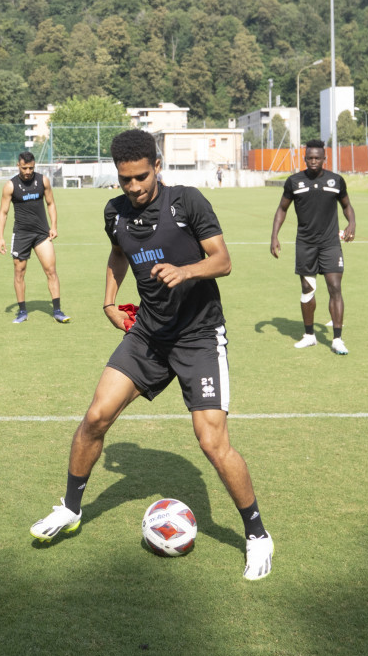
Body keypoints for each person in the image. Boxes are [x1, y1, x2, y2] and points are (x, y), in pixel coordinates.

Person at [27, 130, 274, 581]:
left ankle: (257, 535)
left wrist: (186, 270)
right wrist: (108, 300)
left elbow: (222, 260)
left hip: (198, 335)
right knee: (96, 417)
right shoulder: (115, 212)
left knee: (211, 441)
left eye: (141, 177)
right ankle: (69, 508)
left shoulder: (187, 203)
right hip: (148, 335)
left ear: (157, 166)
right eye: (125, 180)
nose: (134, 187)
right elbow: (119, 252)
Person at [268, 139, 355, 354]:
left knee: (335, 287)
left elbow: (347, 205)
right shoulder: (294, 182)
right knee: (307, 289)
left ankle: (337, 339)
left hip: (330, 244)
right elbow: (282, 209)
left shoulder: (336, 181)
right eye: (310, 158)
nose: (314, 161)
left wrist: (351, 223)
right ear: (305, 159)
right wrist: (274, 236)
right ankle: (309, 335)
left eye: (318, 158)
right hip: (305, 244)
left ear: (324, 159)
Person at [0, 151, 69, 324]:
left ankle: (57, 311)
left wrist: (54, 226)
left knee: (51, 271)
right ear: (18, 165)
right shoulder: (10, 186)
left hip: (41, 234)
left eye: (31, 168)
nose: (28, 171)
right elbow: (3, 212)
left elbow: (50, 203)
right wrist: (0, 237)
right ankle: (22, 312)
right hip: (21, 235)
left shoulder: (43, 181)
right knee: (19, 272)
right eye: (24, 168)